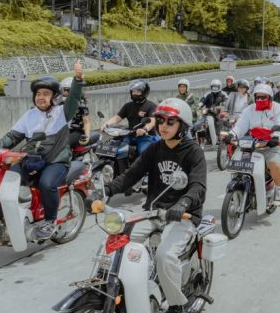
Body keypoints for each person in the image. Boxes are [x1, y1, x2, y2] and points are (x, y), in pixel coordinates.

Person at [96, 98, 206, 313]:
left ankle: (177, 304)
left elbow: (198, 187)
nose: (163, 126)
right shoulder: (155, 148)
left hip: (182, 215)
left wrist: (183, 204)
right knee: (116, 242)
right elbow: (131, 175)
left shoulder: (194, 152)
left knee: (164, 256)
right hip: (154, 212)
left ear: (182, 126)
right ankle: (113, 286)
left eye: (170, 122)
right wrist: (105, 191)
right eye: (160, 120)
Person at [0, 62, 85, 240]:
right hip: (33, 160)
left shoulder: (62, 113)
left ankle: (50, 221)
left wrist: (78, 80)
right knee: (4, 179)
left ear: (55, 97)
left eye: (46, 94)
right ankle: (4, 219)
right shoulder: (29, 115)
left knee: (46, 184)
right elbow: (11, 137)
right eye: (38, 94)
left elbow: (73, 99)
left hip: (56, 162)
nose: (41, 97)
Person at [230, 84, 280, 205]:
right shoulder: (250, 109)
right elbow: (241, 125)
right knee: (237, 161)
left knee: (274, 163)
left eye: (263, 97)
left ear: (270, 97)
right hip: (253, 144)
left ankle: (278, 190)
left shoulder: (278, 109)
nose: (260, 100)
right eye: (258, 97)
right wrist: (231, 134)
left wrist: (276, 137)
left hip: (273, 145)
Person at [101, 79, 158, 157]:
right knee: (114, 149)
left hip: (145, 136)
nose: (135, 93)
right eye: (133, 91)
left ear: (144, 92)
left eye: (138, 91)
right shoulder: (128, 106)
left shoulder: (151, 106)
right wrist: (106, 124)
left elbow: (152, 121)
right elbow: (117, 118)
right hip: (130, 135)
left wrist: (144, 129)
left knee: (144, 153)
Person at [60, 76, 91, 147]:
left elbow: (86, 122)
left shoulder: (81, 103)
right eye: (63, 90)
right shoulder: (59, 104)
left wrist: (87, 137)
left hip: (76, 131)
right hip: (63, 132)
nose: (65, 92)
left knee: (64, 144)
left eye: (68, 90)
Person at [197, 79, 228, 145]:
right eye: (213, 87)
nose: (214, 88)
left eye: (216, 87)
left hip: (220, 113)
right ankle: (208, 138)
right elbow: (202, 100)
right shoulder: (208, 94)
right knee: (205, 121)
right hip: (209, 112)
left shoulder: (223, 95)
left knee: (220, 120)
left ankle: (219, 137)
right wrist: (199, 105)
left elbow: (226, 103)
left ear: (220, 87)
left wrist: (219, 107)